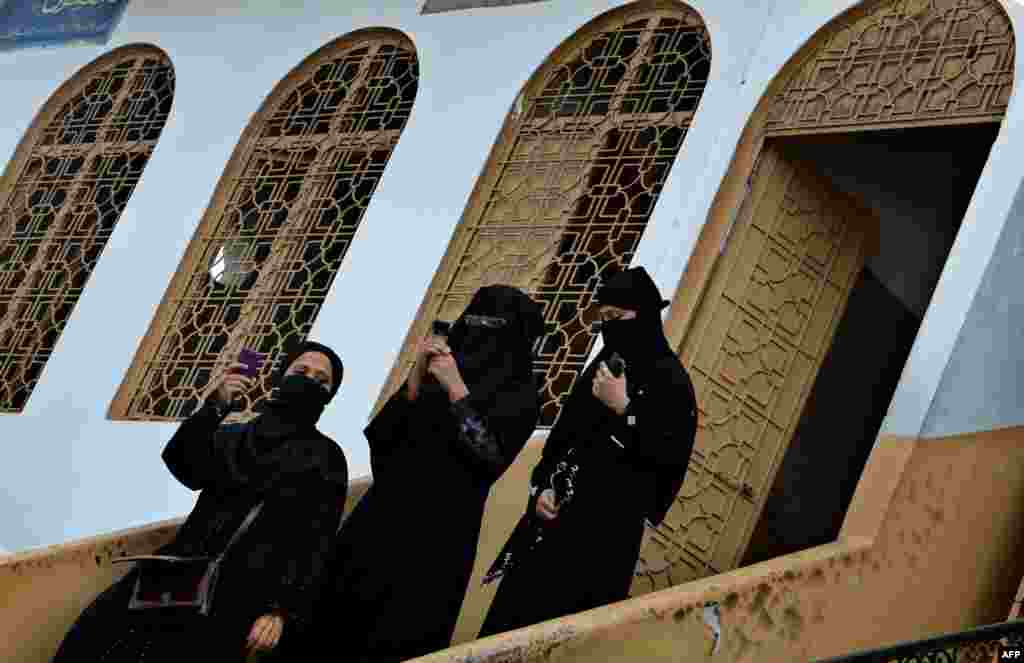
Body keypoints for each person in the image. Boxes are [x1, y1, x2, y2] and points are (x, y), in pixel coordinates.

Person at [52, 341, 349, 662]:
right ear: (281, 376)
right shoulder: (237, 434)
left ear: (329, 397)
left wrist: (280, 610)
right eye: (300, 371)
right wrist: (216, 405)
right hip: (176, 577)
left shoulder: (326, 458)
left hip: (237, 599)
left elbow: (314, 541)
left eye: (321, 380)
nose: (309, 381)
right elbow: (185, 465)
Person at [298, 285, 544, 663]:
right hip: (381, 519)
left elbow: (490, 456)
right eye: (473, 320)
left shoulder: (522, 394)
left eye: (491, 325)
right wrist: (417, 372)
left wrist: (456, 388)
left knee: (397, 633)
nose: (477, 330)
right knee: (331, 623)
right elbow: (384, 438)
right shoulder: (435, 374)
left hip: (438, 537)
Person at [478, 266, 697, 637]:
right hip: (549, 528)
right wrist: (543, 488)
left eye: (617, 318)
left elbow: (666, 455)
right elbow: (563, 439)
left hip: (602, 539)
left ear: (643, 314)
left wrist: (625, 408)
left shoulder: (670, 381)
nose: (609, 327)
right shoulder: (601, 365)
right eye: (604, 319)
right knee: (510, 631)